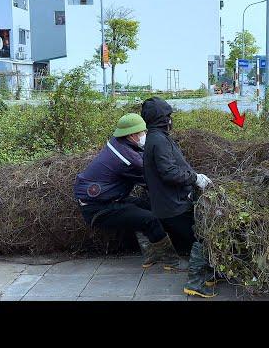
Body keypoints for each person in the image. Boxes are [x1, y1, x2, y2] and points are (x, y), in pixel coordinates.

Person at [74, 113, 180, 270]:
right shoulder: (127, 159)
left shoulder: (118, 143)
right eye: (142, 132)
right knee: (149, 219)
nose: (145, 135)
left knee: (148, 206)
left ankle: (151, 255)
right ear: (132, 135)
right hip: (98, 208)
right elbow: (152, 179)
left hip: (107, 199)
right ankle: (171, 260)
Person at [140, 96, 217, 298]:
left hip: (172, 201)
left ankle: (207, 273)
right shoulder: (158, 140)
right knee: (201, 236)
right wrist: (195, 178)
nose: (171, 119)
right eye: (169, 116)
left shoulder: (158, 137)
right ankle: (195, 283)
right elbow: (169, 172)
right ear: (162, 119)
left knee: (200, 234)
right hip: (172, 205)